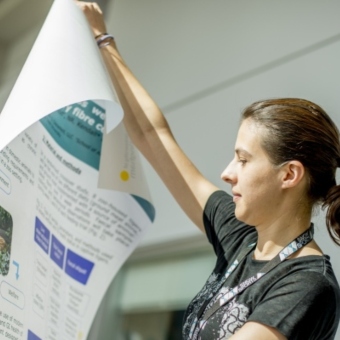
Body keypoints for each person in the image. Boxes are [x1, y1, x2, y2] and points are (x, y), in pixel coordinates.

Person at [77, 2, 340, 339]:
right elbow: (152, 136)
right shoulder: (242, 239)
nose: (227, 173)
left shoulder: (305, 284)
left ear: (289, 174)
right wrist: (102, 38)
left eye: (243, 160)